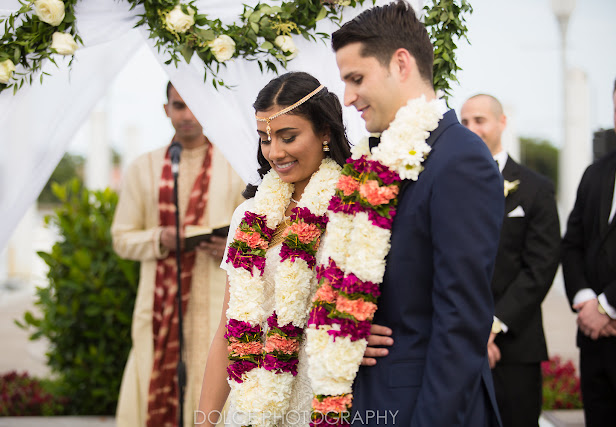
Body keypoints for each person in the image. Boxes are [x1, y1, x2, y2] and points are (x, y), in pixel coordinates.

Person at [330, 1, 505, 425]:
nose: (349, 97)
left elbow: (461, 321)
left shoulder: (459, 158)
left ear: (401, 64)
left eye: (357, 79)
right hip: (372, 401)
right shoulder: (380, 159)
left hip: (424, 408)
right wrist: (347, 326)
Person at [196, 71, 357, 427]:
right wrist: (204, 421)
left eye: (288, 137)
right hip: (252, 403)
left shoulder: (352, 208)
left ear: (325, 131)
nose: (275, 152)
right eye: (265, 139)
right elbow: (228, 329)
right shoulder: (249, 215)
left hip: (328, 403)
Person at [111, 82, 245, 427]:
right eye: (178, 106)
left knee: (214, 379)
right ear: (166, 110)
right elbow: (121, 239)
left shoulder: (235, 164)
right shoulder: (144, 167)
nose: (187, 116)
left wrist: (229, 247)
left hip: (217, 302)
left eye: (193, 106)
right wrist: (159, 238)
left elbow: (256, 231)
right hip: (159, 307)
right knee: (155, 377)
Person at [461, 94, 561, 427]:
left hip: (516, 345)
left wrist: (492, 325)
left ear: (501, 122)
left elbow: (542, 265)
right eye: (465, 122)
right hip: (459, 341)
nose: (472, 129)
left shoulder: (535, 188)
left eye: (480, 120)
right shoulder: (450, 184)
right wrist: (470, 328)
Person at [562, 79, 616, 426]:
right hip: (595, 341)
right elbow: (572, 244)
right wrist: (585, 301)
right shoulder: (596, 173)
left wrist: (607, 305)